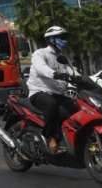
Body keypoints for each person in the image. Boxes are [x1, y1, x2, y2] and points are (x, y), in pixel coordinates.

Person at [27, 25, 79, 153]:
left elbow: (73, 71)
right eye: (62, 37)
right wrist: (55, 74)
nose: (65, 41)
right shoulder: (40, 53)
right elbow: (41, 68)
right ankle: (50, 137)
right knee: (51, 104)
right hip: (39, 92)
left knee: (75, 107)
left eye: (65, 37)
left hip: (57, 93)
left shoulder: (62, 57)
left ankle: (69, 138)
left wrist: (88, 82)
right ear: (52, 39)